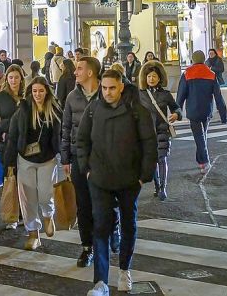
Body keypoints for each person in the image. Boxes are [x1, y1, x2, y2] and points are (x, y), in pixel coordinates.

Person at [77, 69, 158, 296]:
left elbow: (149, 144)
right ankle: (100, 282)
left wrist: (144, 176)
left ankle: (124, 269)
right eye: (104, 88)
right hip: (100, 178)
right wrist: (87, 169)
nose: (108, 92)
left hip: (129, 179)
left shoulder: (136, 110)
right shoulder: (93, 109)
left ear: (121, 87)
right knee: (101, 227)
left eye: (112, 88)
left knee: (128, 224)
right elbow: (81, 140)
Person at [5, 77, 62, 250]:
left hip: (48, 159)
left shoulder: (55, 110)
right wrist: (9, 162)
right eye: (35, 91)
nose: (37, 94)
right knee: (27, 199)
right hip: (25, 158)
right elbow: (13, 135)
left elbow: (62, 135)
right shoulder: (23, 109)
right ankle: (33, 233)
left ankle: (48, 215)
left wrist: (64, 156)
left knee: (46, 194)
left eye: (41, 91)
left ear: (47, 91)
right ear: (30, 92)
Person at [60, 57, 104, 267]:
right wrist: (65, 157)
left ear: (90, 73)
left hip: (103, 158)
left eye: (79, 68)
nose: (75, 72)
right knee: (83, 205)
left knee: (105, 202)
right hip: (78, 157)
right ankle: (87, 247)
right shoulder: (72, 97)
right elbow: (66, 129)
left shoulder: (106, 93)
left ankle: (107, 237)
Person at [176, 50, 227, 172]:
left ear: (193, 60)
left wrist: (178, 111)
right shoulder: (211, 74)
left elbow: (181, 94)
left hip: (193, 110)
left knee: (199, 136)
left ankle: (204, 161)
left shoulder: (187, 74)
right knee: (202, 134)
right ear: (204, 59)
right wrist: (223, 114)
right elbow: (218, 97)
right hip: (206, 110)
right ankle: (201, 160)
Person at [137, 61, 180, 201]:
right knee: (152, 160)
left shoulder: (165, 94)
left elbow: (176, 108)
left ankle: (163, 187)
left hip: (162, 130)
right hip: (146, 132)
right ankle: (157, 185)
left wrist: (176, 115)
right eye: (149, 76)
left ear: (159, 78)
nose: (151, 79)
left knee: (162, 159)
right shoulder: (140, 94)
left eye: (154, 76)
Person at [0, 65, 24, 194]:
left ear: (21, 78)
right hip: (7, 143)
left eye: (16, 77)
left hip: (26, 143)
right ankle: (10, 208)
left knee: (25, 179)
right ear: (6, 79)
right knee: (9, 177)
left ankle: (24, 210)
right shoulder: (0, 97)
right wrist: (0, 133)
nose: (14, 81)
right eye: (11, 77)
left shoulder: (28, 96)